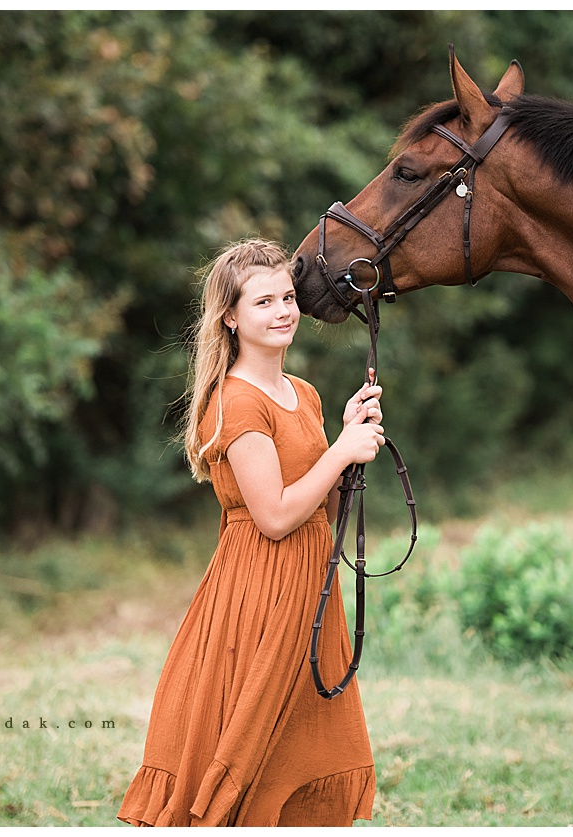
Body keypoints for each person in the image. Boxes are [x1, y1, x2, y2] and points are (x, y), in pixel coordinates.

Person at [118, 239, 385, 827]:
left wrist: (348, 438)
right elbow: (275, 516)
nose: (284, 311)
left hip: (309, 586)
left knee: (298, 735)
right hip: (260, 590)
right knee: (248, 734)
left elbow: (323, 507)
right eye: (263, 302)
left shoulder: (304, 394)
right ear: (231, 318)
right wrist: (340, 452)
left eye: (287, 297)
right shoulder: (236, 402)